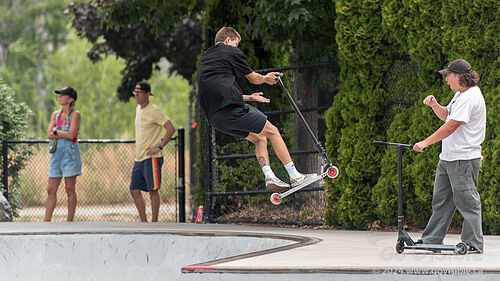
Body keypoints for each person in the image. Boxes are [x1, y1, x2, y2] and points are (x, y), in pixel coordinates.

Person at [197, 26, 316, 193]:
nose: (237, 48)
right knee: (273, 131)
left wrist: (249, 97)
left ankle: (269, 176)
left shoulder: (207, 58)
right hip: (231, 110)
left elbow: (218, 91)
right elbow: (253, 78)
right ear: (228, 40)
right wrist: (266, 78)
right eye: (236, 44)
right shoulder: (230, 50)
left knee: (259, 138)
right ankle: (295, 176)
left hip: (216, 118)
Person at [413, 59, 485, 253]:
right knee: (442, 200)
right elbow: (448, 116)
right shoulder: (460, 95)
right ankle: (432, 240)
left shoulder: (470, 97)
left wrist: (426, 142)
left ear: (459, 76)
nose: (447, 80)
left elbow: (452, 126)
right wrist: (436, 105)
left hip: (463, 158)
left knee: (467, 201)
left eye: (449, 76)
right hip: (448, 157)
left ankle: (473, 243)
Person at [130, 82, 175, 222]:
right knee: (134, 189)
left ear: (148, 94)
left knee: (153, 190)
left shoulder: (154, 110)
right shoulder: (138, 109)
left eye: (139, 92)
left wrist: (159, 147)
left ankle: (154, 222)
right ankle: (144, 221)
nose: (136, 95)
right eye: (135, 92)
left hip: (152, 157)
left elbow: (170, 128)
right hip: (139, 158)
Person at [45, 86, 82, 222]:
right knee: (51, 189)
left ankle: (69, 221)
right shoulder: (55, 115)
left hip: (70, 155)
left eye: (63, 95)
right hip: (56, 156)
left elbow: (72, 134)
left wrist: (57, 132)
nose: (59, 96)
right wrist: (62, 134)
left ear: (70, 99)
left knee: (69, 188)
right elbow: (49, 134)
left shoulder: (75, 114)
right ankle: (46, 221)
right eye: (59, 94)